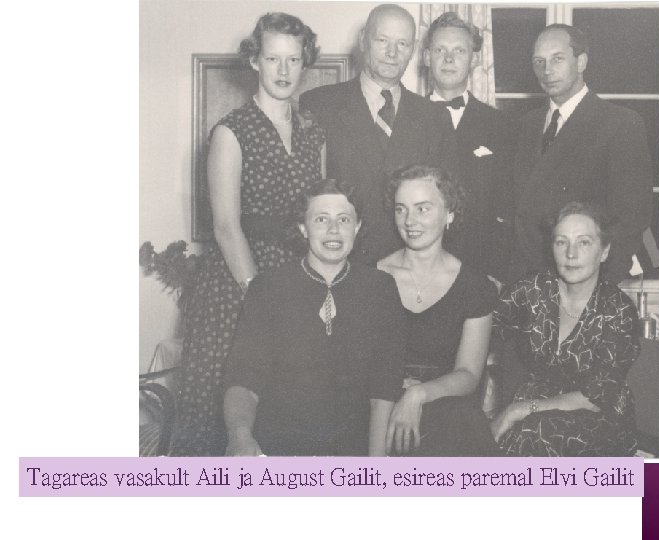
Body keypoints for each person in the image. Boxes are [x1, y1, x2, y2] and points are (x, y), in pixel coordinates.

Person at [169, 13, 325, 456]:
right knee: (222, 419)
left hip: (297, 278)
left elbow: (321, 214)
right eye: (273, 58)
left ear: (305, 62)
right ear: (255, 61)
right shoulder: (231, 131)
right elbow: (226, 227)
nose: (283, 70)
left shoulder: (315, 133)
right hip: (236, 285)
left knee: (287, 413)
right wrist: (260, 297)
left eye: (293, 59)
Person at [224, 179, 405, 456]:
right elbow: (243, 380)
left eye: (344, 219)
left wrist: (375, 468)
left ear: (357, 227)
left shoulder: (381, 288)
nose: (334, 229)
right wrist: (240, 437)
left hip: (354, 449)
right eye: (321, 219)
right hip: (277, 448)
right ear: (303, 228)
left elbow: (384, 389)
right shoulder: (268, 288)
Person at [300, 4, 458, 265]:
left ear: (413, 49)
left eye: (402, 44)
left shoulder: (434, 117)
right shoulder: (320, 105)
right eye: (382, 40)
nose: (392, 53)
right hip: (340, 264)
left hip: (410, 268)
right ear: (363, 40)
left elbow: (445, 203)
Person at [492, 202, 640, 456]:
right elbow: (485, 329)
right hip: (532, 410)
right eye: (561, 242)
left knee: (531, 435)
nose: (571, 254)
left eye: (584, 242)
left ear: (604, 251)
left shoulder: (618, 310)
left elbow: (594, 397)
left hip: (596, 419)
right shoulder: (532, 290)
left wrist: (517, 410)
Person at [511, 23, 654, 285]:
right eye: (539, 62)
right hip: (527, 284)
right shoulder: (525, 125)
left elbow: (632, 219)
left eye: (557, 59)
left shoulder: (619, 123)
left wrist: (596, 286)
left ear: (581, 62)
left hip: (585, 284)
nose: (547, 70)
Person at [378, 165, 500, 456]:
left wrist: (418, 395)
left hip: (446, 404)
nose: (409, 221)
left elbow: (468, 374)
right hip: (380, 399)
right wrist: (394, 390)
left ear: (449, 214)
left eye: (423, 209)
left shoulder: (475, 286)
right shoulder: (373, 277)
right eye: (401, 209)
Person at [423, 12, 515, 283]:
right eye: (440, 50)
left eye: (459, 51)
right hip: (420, 268)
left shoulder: (502, 126)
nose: (449, 59)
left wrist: (497, 273)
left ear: (474, 59)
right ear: (427, 57)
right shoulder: (407, 120)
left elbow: (508, 207)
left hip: (480, 268)